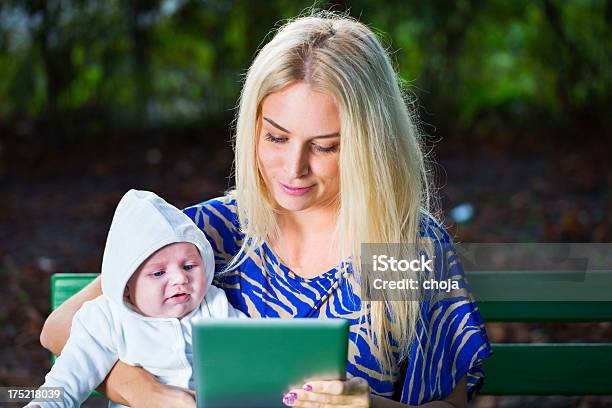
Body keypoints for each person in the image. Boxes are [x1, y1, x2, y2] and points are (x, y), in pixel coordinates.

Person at [40, 12, 492, 408]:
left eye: (325, 146)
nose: (293, 169)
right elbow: (60, 327)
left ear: (369, 147)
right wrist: (142, 392)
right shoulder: (205, 234)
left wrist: (364, 405)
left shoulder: (400, 248)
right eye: (276, 137)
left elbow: (449, 403)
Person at [28, 190, 244, 408]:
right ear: (126, 286)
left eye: (189, 266)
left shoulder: (213, 305)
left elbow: (251, 347)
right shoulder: (107, 319)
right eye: (158, 273)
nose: (180, 278)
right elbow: (69, 377)